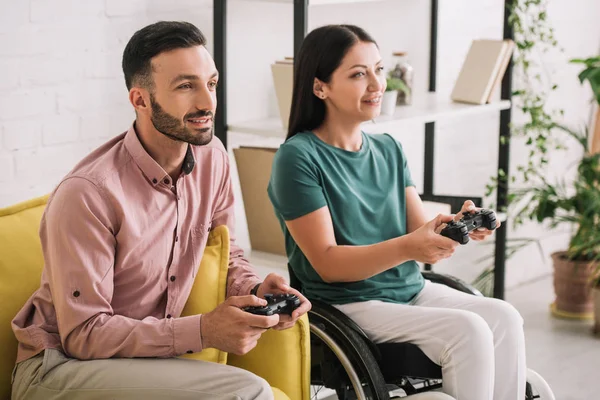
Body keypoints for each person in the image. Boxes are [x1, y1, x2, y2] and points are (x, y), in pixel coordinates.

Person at [11, 21, 310, 400]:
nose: (207, 102)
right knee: (245, 393)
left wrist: (252, 290)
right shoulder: (88, 194)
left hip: (143, 361)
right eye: (186, 86)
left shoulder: (211, 157)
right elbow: (83, 335)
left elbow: (226, 249)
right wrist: (202, 331)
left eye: (211, 83)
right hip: (60, 367)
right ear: (140, 100)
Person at [268, 24, 525, 400]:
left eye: (379, 69)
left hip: (410, 290)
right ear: (320, 86)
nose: (377, 84)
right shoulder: (297, 158)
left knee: (505, 316)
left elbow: (420, 230)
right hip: (350, 302)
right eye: (358, 74)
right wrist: (410, 247)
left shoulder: (389, 149)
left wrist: (454, 226)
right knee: (467, 330)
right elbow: (328, 263)